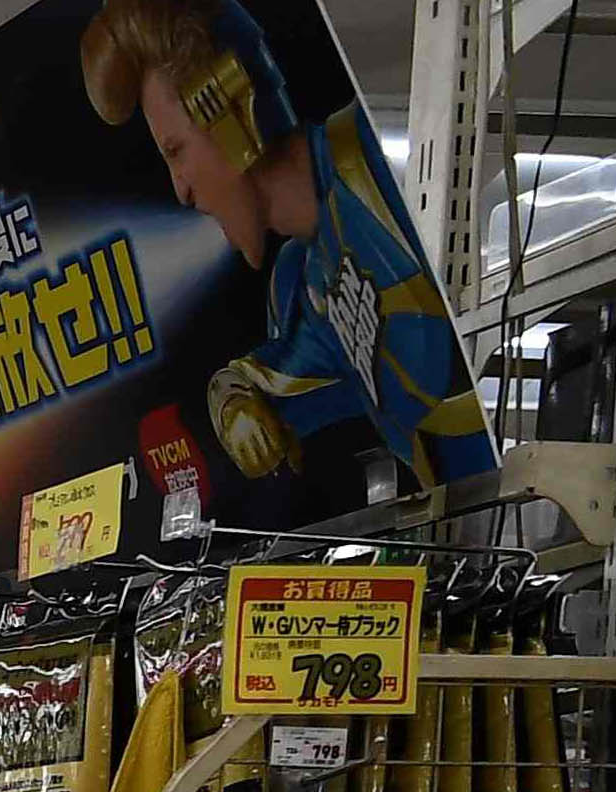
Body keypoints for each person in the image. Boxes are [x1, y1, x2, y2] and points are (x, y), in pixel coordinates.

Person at [82, 0, 482, 501]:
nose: (181, 190)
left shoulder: (379, 162)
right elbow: (265, 389)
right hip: (480, 530)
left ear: (228, 106)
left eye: (176, 151)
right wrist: (234, 403)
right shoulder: (305, 285)